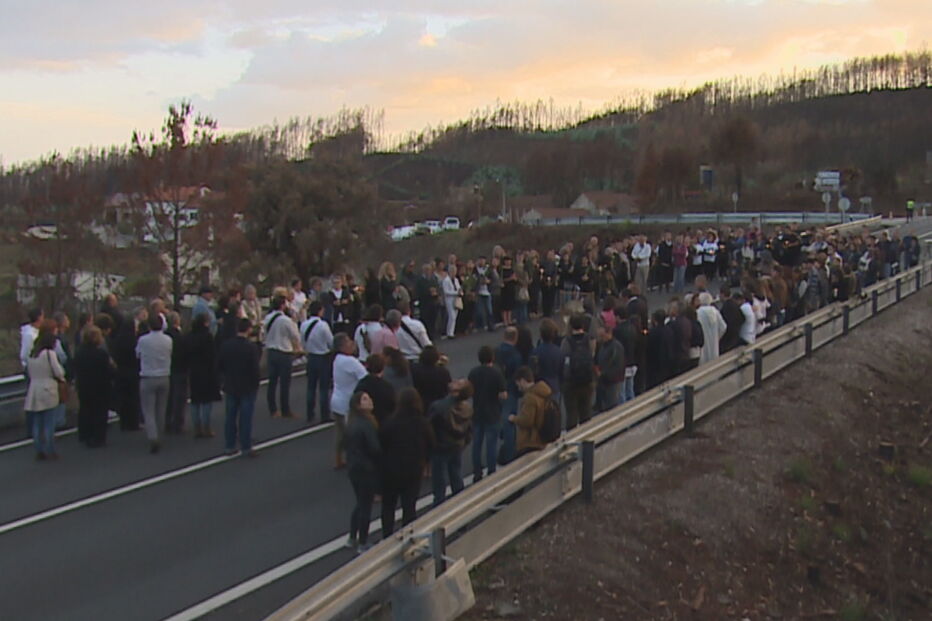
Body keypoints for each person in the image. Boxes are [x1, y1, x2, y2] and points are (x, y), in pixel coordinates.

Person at [380, 388, 434, 537]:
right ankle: (408, 536)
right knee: (409, 506)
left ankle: (387, 536)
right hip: (413, 470)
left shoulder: (390, 422)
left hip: (391, 470)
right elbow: (431, 444)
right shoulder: (422, 423)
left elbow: (381, 445)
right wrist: (425, 461)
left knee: (388, 506)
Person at [344, 391, 381, 553]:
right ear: (358, 405)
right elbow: (374, 448)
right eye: (365, 399)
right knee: (366, 505)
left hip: (354, 467)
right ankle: (363, 542)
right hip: (366, 468)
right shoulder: (367, 424)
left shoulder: (352, 423)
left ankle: (352, 537)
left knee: (360, 502)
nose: (370, 400)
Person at [219, 318, 261, 457]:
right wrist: (255, 383)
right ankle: (246, 446)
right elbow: (255, 369)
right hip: (247, 386)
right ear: (248, 330)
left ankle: (229, 445)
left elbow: (220, 365)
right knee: (245, 417)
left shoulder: (226, 345)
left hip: (231, 384)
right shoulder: (251, 347)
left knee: (230, 416)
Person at [429, 379, 474, 507]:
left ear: (456, 392)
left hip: (441, 446)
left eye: (458, 383)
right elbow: (470, 429)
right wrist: (464, 442)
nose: (454, 381)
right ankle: (459, 504)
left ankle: (439, 506)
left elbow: (429, 427)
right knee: (456, 474)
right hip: (457, 445)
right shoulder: (467, 409)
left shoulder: (439, 407)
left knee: (439, 480)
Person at [24, 320, 65, 460]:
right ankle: (50, 449)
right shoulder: (49, 354)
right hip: (48, 389)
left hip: (34, 388)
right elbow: (58, 371)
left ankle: (39, 449)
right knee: (49, 422)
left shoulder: (32, 354)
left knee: (37, 422)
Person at [468, 346, 507, 481]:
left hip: (477, 412)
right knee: (491, 444)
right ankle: (491, 471)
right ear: (492, 358)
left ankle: (477, 472)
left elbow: (469, 391)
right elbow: (503, 395)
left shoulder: (473, 373)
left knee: (477, 444)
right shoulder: (496, 373)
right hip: (492, 413)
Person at [331, 333, 369, 469]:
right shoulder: (350, 361)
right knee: (354, 434)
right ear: (342, 347)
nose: (352, 344)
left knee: (340, 433)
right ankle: (355, 461)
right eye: (349, 342)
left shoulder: (337, 359)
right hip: (348, 402)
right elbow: (365, 378)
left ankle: (338, 459)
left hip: (336, 400)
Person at [136, 315, 172, 453]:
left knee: (148, 410)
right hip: (164, 375)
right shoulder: (168, 340)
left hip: (148, 375)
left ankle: (153, 436)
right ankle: (160, 434)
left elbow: (138, 354)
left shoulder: (143, 340)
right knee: (161, 409)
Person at [73, 325, 114, 448]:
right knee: (100, 412)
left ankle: (86, 435)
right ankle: (98, 437)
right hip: (100, 386)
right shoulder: (101, 353)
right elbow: (109, 371)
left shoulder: (79, 353)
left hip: (84, 385)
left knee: (86, 410)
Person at [263, 295, 302, 419]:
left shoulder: (267, 318)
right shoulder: (286, 320)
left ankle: (273, 409)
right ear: (282, 305)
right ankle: (285, 409)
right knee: (284, 383)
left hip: (271, 351)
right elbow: (295, 335)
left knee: (272, 382)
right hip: (284, 352)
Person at [188, 312, 222, 438]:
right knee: (206, 401)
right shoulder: (207, 336)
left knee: (195, 400)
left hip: (194, 371)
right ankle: (206, 427)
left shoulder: (190, 336)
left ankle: (197, 427)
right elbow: (212, 356)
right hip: (206, 371)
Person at [301, 301, 334, 424]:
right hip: (323, 357)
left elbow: (302, 341)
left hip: (311, 357)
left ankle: (310, 413)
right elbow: (331, 342)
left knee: (311, 387)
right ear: (320, 311)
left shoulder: (304, 324)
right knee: (323, 388)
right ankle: (324, 414)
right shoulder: (323, 325)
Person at [561, 314, 594, 430]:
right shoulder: (588, 339)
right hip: (587, 380)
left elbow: (564, 360)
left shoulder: (567, 341)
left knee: (572, 414)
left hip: (571, 382)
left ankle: (573, 436)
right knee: (586, 411)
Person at [509, 366, 551, 456]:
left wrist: (514, 419)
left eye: (518, 384)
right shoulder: (544, 392)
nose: (518, 387)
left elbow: (527, 421)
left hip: (530, 441)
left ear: (523, 381)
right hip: (541, 438)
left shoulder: (530, 398)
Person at [495, 327, 522, 461]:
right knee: (509, 421)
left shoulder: (496, 352)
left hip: (497, 390)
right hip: (510, 389)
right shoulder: (516, 355)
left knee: (500, 418)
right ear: (515, 338)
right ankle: (510, 452)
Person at [355, 354, 397, 425]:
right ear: (383, 367)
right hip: (383, 422)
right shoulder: (387, 386)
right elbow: (392, 406)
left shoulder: (361, 384)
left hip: (366, 422)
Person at [165, 311, 189, 435]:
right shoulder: (180, 337)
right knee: (179, 398)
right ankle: (178, 423)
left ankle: (167, 421)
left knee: (169, 397)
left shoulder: (165, 335)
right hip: (180, 369)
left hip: (167, 369)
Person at [411, 345, 452, 413]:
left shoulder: (414, 369)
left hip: (421, 401)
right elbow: (447, 387)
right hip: (438, 401)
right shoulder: (443, 372)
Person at [594, 324, 625, 413]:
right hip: (604, 380)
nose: (601, 338)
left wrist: (603, 374)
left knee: (612, 406)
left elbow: (617, 366)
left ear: (608, 334)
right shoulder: (603, 345)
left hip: (612, 381)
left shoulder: (616, 347)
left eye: (602, 336)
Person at [696, 292, 727, 364]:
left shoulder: (698, 313)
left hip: (703, 345)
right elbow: (723, 327)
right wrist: (717, 337)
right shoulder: (715, 312)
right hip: (714, 344)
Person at [441, 264, 463, 339]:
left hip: (456, 299)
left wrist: (460, 292)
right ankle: (449, 333)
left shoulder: (456, 280)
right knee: (452, 316)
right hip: (449, 299)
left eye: (455, 271)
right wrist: (456, 293)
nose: (454, 273)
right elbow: (446, 291)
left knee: (455, 316)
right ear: (449, 272)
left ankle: (451, 332)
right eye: (452, 271)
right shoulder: (446, 280)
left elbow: (458, 288)